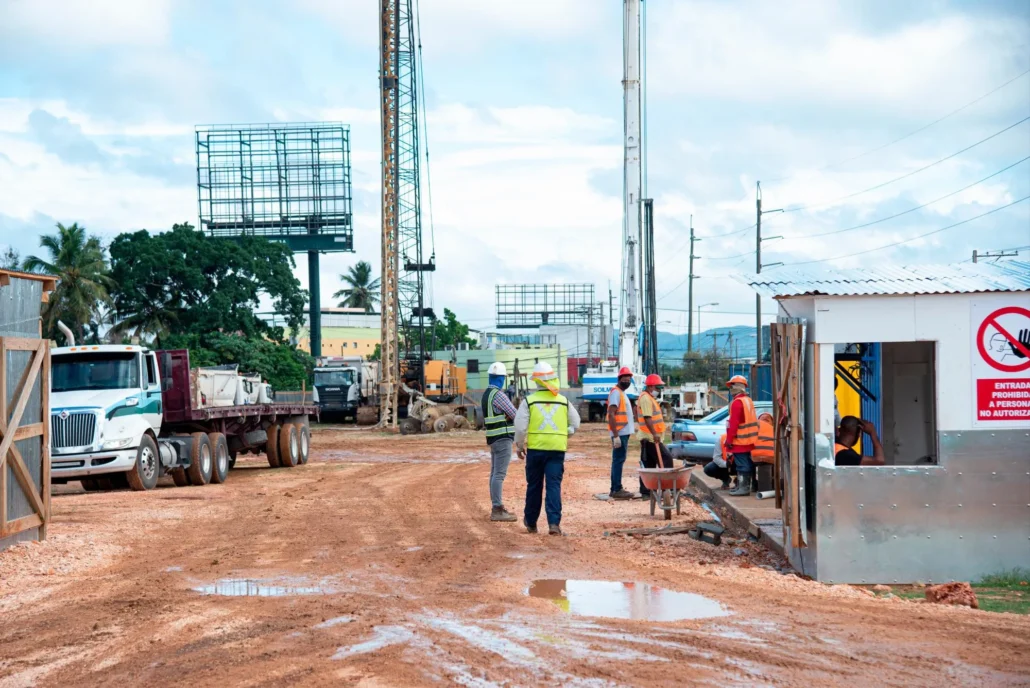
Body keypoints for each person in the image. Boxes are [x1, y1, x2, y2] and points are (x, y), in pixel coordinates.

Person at [514, 361, 581, 536]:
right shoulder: (563, 401)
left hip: (536, 450)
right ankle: (553, 524)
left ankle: (531, 523)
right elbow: (576, 423)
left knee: (534, 486)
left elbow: (520, 428)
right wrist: (565, 433)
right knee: (553, 486)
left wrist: (520, 446)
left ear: (536, 382)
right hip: (557, 450)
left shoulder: (528, 401)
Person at [483, 361, 518, 522]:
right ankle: (497, 509)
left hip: (493, 438)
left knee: (494, 473)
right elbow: (515, 414)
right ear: (501, 378)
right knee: (499, 474)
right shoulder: (499, 395)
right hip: (503, 438)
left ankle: (496, 506)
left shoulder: (486, 394)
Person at [636, 373, 673, 498]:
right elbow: (647, 418)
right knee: (666, 458)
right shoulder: (646, 398)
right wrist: (654, 433)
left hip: (650, 437)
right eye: (658, 388)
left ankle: (647, 492)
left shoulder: (649, 398)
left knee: (649, 465)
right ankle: (667, 489)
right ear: (651, 387)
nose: (659, 390)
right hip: (650, 438)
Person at [724, 374, 758, 496]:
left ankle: (743, 488)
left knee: (742, 464)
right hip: (748, 439)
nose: (730, 389)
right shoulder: (747, 401)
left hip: (740, 440)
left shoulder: (737, 403)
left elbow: (734, 424)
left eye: (731, 386)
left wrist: (729, 440)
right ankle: (746, 486)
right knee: (747, 463)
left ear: (738, 387)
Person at [606, 366, 636, 500]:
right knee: (618, 460)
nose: (627, 381)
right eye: (625, 378)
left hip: (623, 432)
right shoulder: (616, 393)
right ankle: (616, 489)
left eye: (629, 379)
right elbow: (611, 414)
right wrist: (616, 435)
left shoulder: (621, 393)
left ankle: (616, 488)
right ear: (619, 379)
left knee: (619, 460)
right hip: (620, 433)